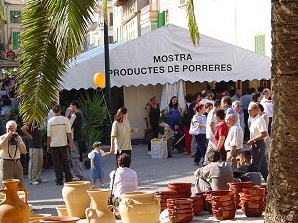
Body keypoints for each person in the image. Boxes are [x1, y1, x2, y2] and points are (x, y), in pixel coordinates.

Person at [47, 104, 73, 185]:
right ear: (60, 111)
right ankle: (68, 178)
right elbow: (69, 132)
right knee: (65, 161)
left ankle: (59, 179)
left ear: (53, 111)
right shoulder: (65, 120)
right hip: (63, 143)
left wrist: (48, 145)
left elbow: (49, 135)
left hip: (54, 145)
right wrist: (70, 142)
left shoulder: (50, 121)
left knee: (56, 163)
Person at [0, 120, 27, 187]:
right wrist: (7, 137)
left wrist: (19, 141)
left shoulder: (18, 138)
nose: (10, 131)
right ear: (6, 129)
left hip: (17, 162)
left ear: (15, 129)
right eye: (9, 129)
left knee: (20, 184)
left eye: (12, 129)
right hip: (6, 162)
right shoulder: (2, 137)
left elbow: (24, 151)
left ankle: (18, 197)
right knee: (5, 185)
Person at [247, 103, 269, 182]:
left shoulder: (260, 120)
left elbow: (264, 133)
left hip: (259, 144)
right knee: (263, 166)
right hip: (255, 144)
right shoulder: (253, 120)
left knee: (256, 164)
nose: (249, 112)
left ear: (256, 110)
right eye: (248, 110)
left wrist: (254, 140)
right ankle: (270, 182)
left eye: (250, 110)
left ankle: (253, 182)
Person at [69, 100, 84, 181]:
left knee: (75, 156)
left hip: (75, 138)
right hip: (79, 137)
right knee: (79, 155)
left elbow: (69, 125)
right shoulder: (80, 113)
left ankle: (78, 174)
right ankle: (80, 173)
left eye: (71, 106)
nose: (70, 108)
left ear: (75, 106)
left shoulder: (75, 114)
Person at [204, 100, 220, 165]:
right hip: (213, 134)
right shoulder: (214, 112)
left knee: (210, 149)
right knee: (216, 148)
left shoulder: (212, 111)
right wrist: (215, 134)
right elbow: (212, 124)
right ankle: (218, 160)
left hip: (211, 134)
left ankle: (206, 162)